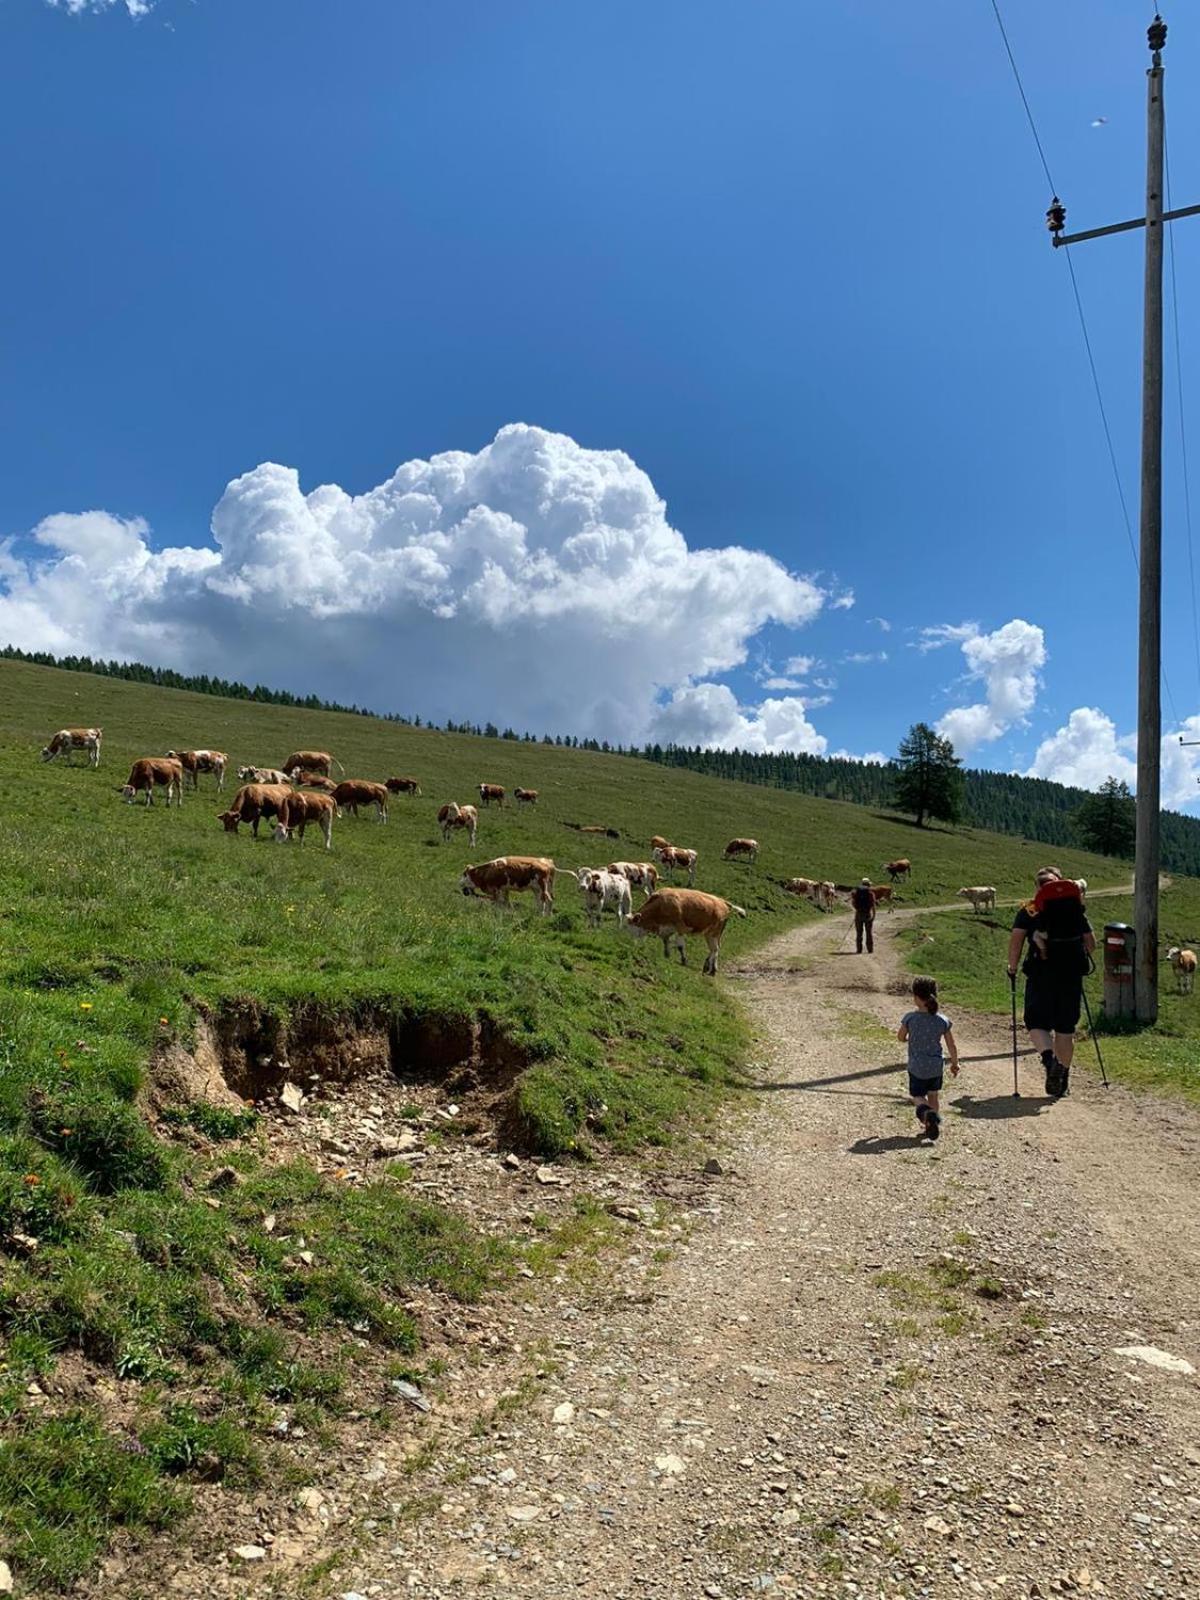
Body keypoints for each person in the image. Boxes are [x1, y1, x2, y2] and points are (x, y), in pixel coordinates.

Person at [1007, 866, 1095, 1098]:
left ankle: (1049, 1061)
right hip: (1071, 975)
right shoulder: (1075, 909)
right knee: (1065, 1029)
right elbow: (1091, 944)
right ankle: (1062, 1077)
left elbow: (1016, 940)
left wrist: (1013, 968)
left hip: (1040, 973)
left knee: (1036, 1022)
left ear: (1038, 887)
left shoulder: (1030, 909)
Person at [897, 976, 958, 1141]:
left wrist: (909, 1039)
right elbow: (951, 1045)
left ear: (916, 998)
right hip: (935, 1067)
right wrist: (954, 1063)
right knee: (933, 1096)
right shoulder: (942, 1020)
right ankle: (932, 1124)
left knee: (917, 1097)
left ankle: (926, 1114)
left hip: (917, 1067)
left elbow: (900, 1037)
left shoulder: (910, 1018)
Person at [852, 876, 875, 954]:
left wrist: (857, 909)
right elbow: (873, 905)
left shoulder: (856, 892)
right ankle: (870, 949)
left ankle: (859, 950)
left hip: (859, 914)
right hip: (868, 914)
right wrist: (873, 915)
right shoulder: (870, 893)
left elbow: (853, 903)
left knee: (859, 933)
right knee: (869, 932)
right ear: (868, 884)